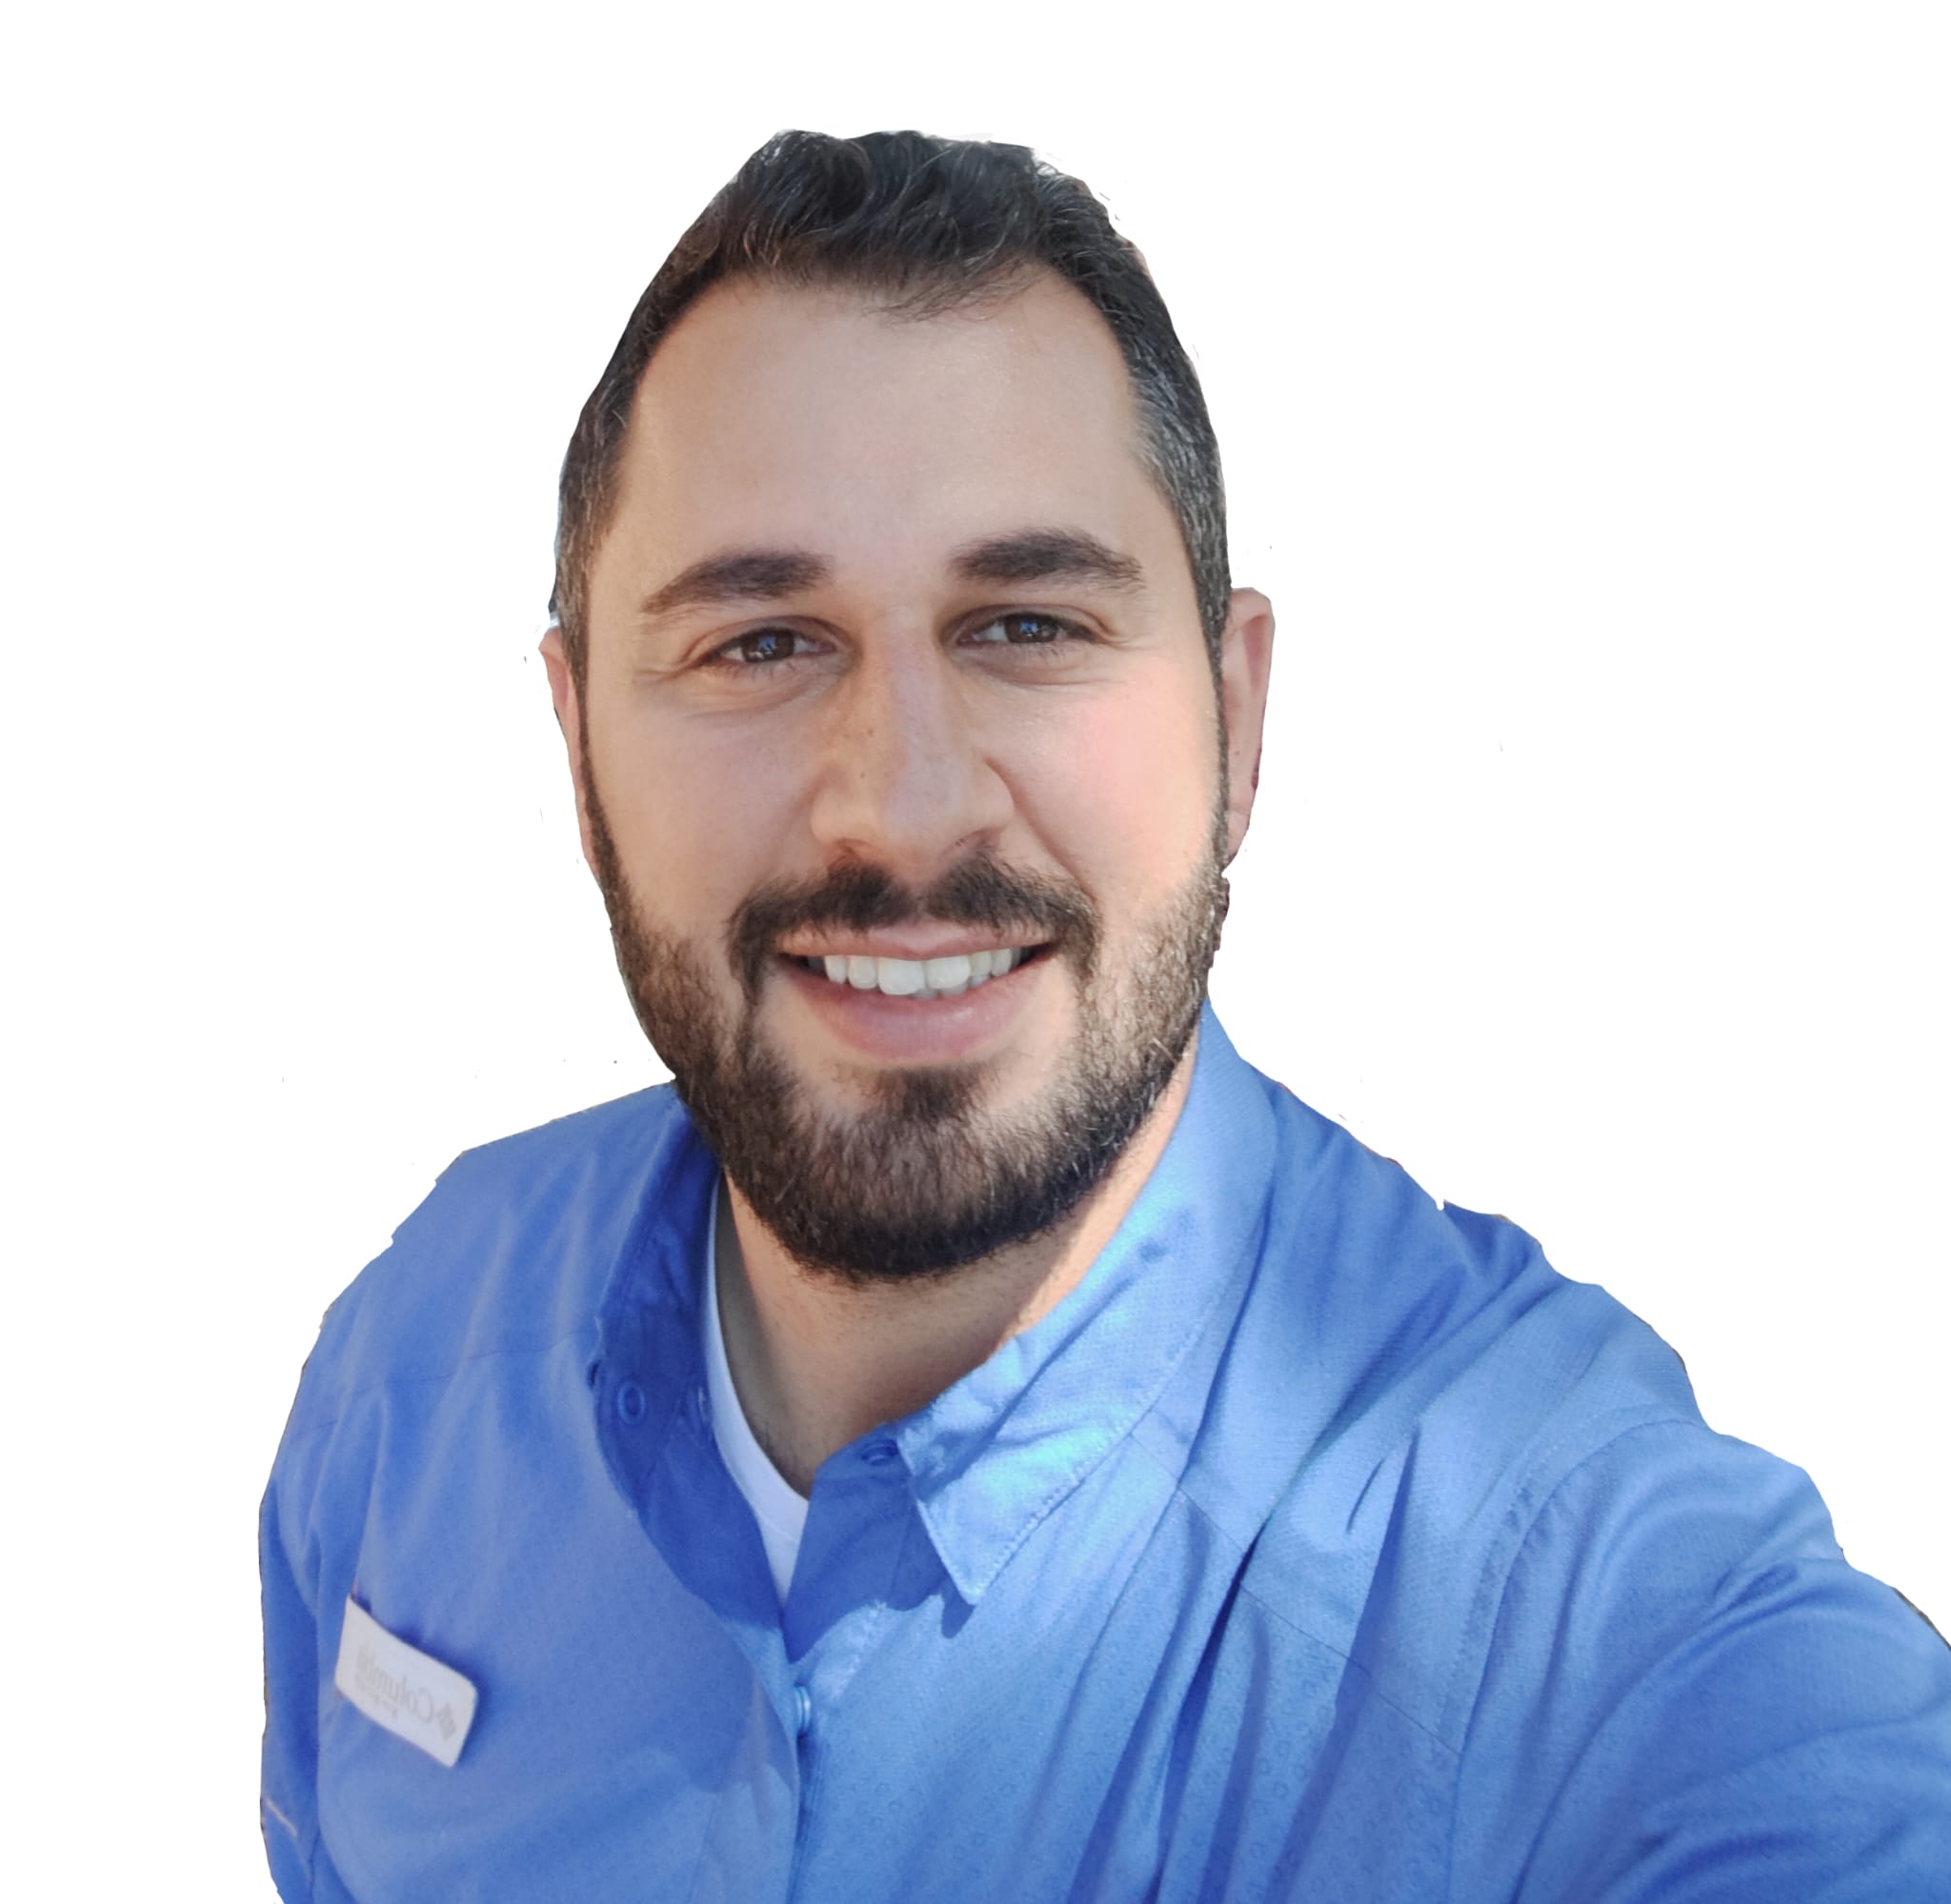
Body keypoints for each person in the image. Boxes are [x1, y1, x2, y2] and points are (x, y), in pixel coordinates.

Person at [259, 130, 1951, 1902]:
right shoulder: (411, 1370)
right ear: (577, 743)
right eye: (759, 643)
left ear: (1238, 720)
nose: (902, 805)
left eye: (1027, 624)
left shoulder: (1574, 1602)